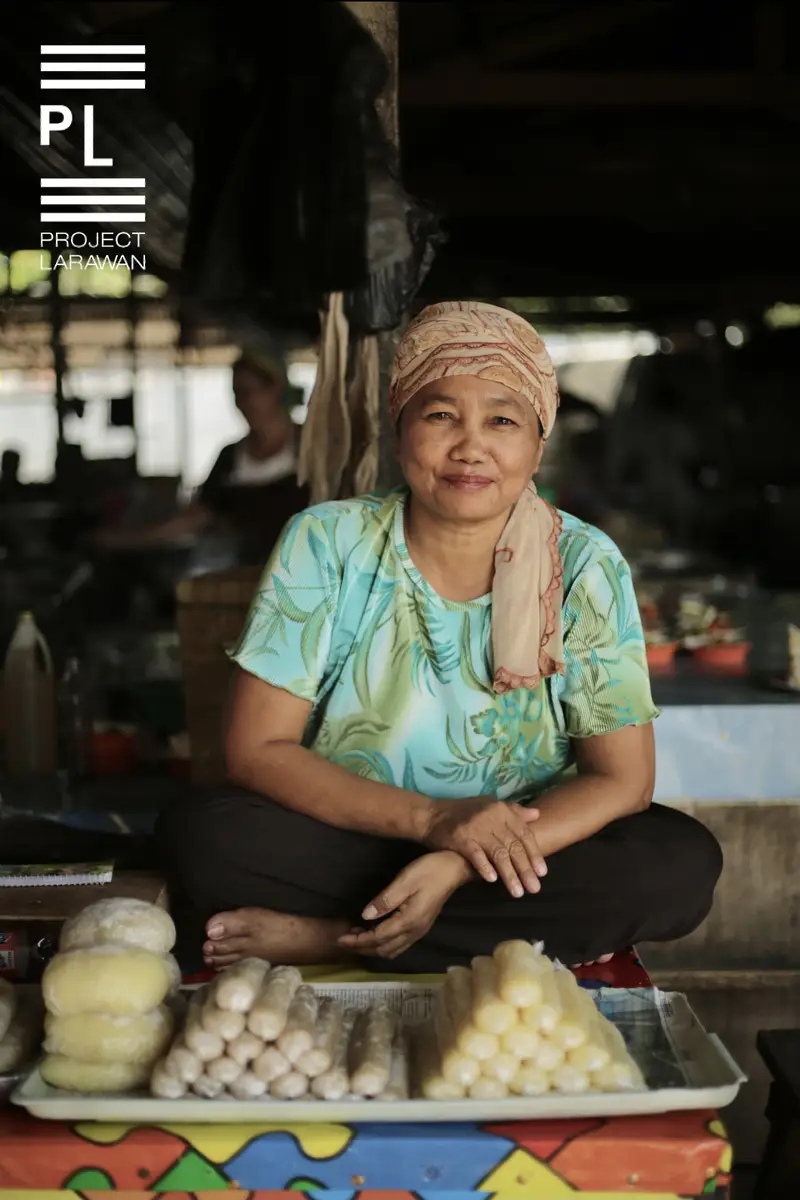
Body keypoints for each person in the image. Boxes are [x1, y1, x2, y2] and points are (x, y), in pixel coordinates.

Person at [159, 301, 722, 974]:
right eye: (440, 415)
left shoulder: (585, 562)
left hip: (515, 851)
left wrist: (456, 860)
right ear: (400, 433)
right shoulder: (327, 540)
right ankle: (477, 935)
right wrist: (433, 821)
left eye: (503, 420)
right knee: (202, 834)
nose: (470, 445)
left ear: (538, 444)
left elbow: (621, 779)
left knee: (680, 864)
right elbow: (257, 750)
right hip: (357, 834)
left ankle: (334, 936)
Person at [92, 347, 309, 564]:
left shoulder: (311, 448)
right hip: (242, 576)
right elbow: (196, 518)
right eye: (237, 394)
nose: (243, 403)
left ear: (275, 389)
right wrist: (128, 540)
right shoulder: (231, 457)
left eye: (249, 391)